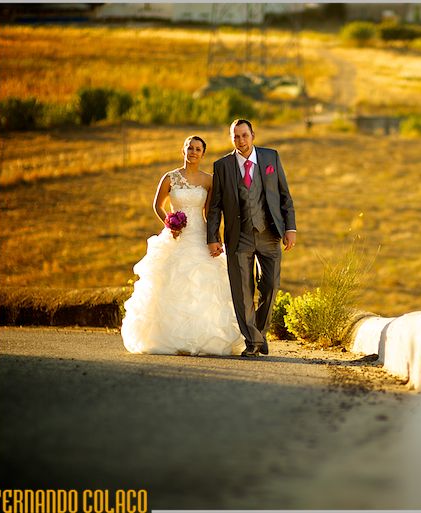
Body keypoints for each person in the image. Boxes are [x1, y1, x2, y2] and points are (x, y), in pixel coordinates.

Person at [122, 136, 244, 355]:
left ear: (203, 154)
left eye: (198, 149)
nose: (193, 152)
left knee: (203, 282)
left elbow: (211, 213)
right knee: (170, 281)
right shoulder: (170, 177)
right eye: (190, 148)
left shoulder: (209, 180)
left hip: (199, 234)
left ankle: (203, 339)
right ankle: (170, 339)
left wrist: (214, 238)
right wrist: (170, 222)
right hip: (176, 237)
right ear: (184, 150)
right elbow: (157, 206)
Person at [207, 119, 297, 357]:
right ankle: (253, 341)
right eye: (235, 137)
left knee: (270, 286)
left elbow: (284, 196)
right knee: (242, 290)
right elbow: (215, 207)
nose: (241, 141)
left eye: (244, 135)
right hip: (239, 236)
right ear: (231, 139)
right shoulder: (222, 166)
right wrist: (212, 237)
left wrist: (290, 228)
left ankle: (258, 331)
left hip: (269, 233)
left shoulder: (271, 158)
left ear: (253, 135)